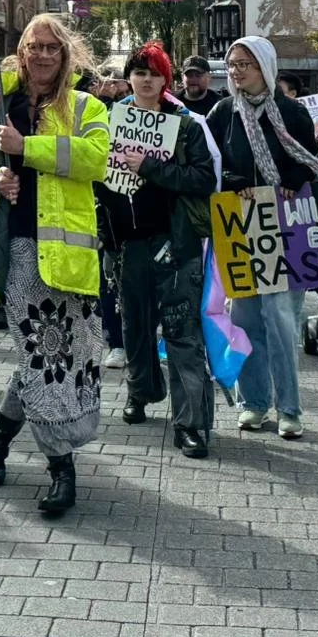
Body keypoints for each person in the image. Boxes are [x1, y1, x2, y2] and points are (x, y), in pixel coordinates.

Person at [0, 15, 110, 515]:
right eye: (33, 46)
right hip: (15, 253)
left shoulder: (86, 106)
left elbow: (97, 158)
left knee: (56, 359)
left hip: (72, 260)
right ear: (21, 50)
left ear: (66, 55)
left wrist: (26, 149)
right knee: (44, 356)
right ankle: (62, 470)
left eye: (51, 48)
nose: (40, 55)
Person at [97, 43, 217, 456]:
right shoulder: (109, 120)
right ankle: (141, 391)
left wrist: (149, 166)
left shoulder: (185, 125)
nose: (146, 80)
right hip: (126, 242)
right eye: (139, 72)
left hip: (175, 241)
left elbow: (203, 179)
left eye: (154, 73)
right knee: (135, 323)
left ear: (166, 79)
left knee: (182, 331)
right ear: (128, 78)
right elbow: (95, 175)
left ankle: (191, 424)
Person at [205, 35, 318, 441]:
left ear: (266, 67)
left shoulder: (292, 113)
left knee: (282, 320)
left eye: (246, 64)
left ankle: (289, 408)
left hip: (286, 225)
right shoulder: (223, 113)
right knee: (246, 318)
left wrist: (293, 180)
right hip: (241, 224)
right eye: (233, 65)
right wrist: (231, 182)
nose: (237, 72)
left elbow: (309, 162)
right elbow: (212, 164)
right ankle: (254, 403)